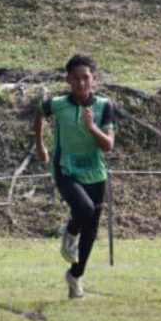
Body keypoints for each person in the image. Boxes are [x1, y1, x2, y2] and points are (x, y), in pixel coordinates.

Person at [35, 54, 116, 300]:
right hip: (65, 169)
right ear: (68, 79)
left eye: (86, 78)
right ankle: (69, 235)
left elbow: (108, 145)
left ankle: (75, 276)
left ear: (94, 80)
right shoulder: (58, 104)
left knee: (91, 230)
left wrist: (91, 127)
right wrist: (41, 145)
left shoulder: (104, 106)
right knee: (83, 208)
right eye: (76, 78)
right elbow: (39, 113)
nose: (81, 83)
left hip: (95, 172)